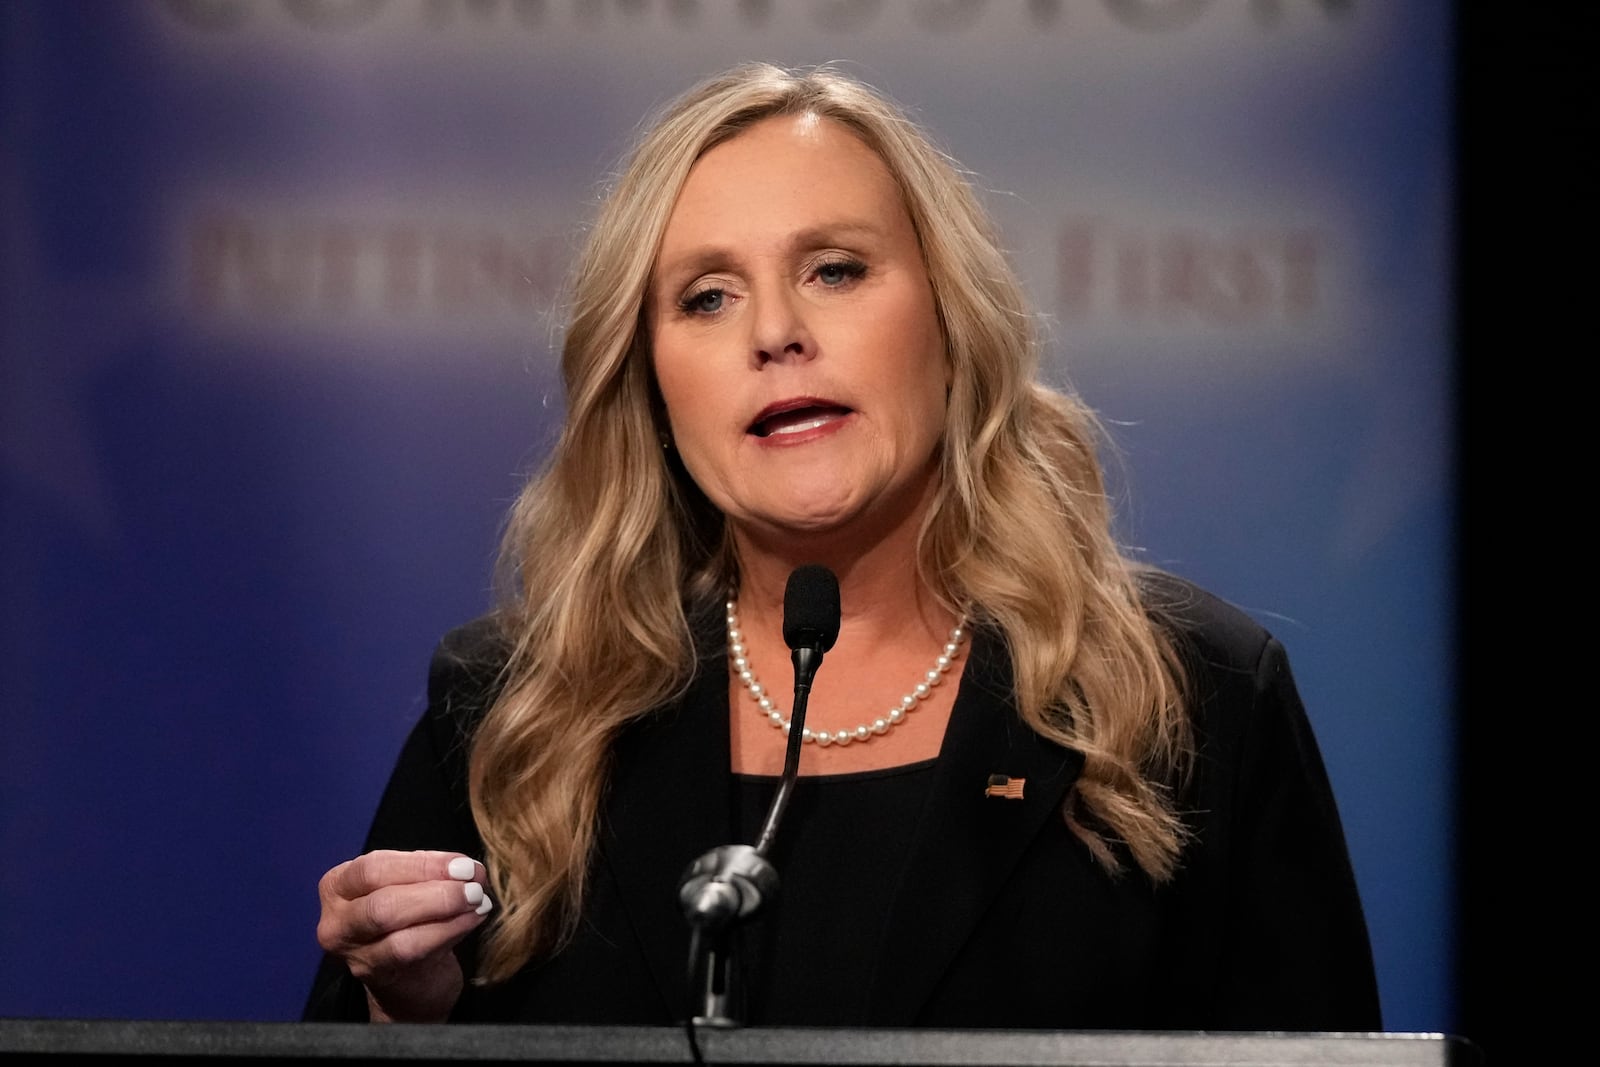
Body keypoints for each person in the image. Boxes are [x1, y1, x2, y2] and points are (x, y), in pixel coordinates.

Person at [304, 61, 1382, 1032]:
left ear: (951, 329)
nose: (775, 331)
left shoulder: (1190, 698)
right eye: (707, 296)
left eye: (834, 270)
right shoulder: (512, 715)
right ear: (650, 386)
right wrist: (409, 1018)